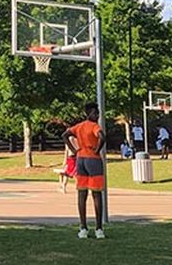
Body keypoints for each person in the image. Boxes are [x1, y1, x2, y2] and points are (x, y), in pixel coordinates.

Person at [63, 102, 105, 240]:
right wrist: (98, 150)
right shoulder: (94, 126)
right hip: (93, 160)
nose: (97, 115)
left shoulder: (79, 126)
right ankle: (99, 228)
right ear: (89, 114)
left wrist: (74, 150)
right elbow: (101, 136)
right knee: (96, 194)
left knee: (82, 193)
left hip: (80, 159)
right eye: (95, 113)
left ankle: (83, 228)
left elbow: (65, 135)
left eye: (97, 113)